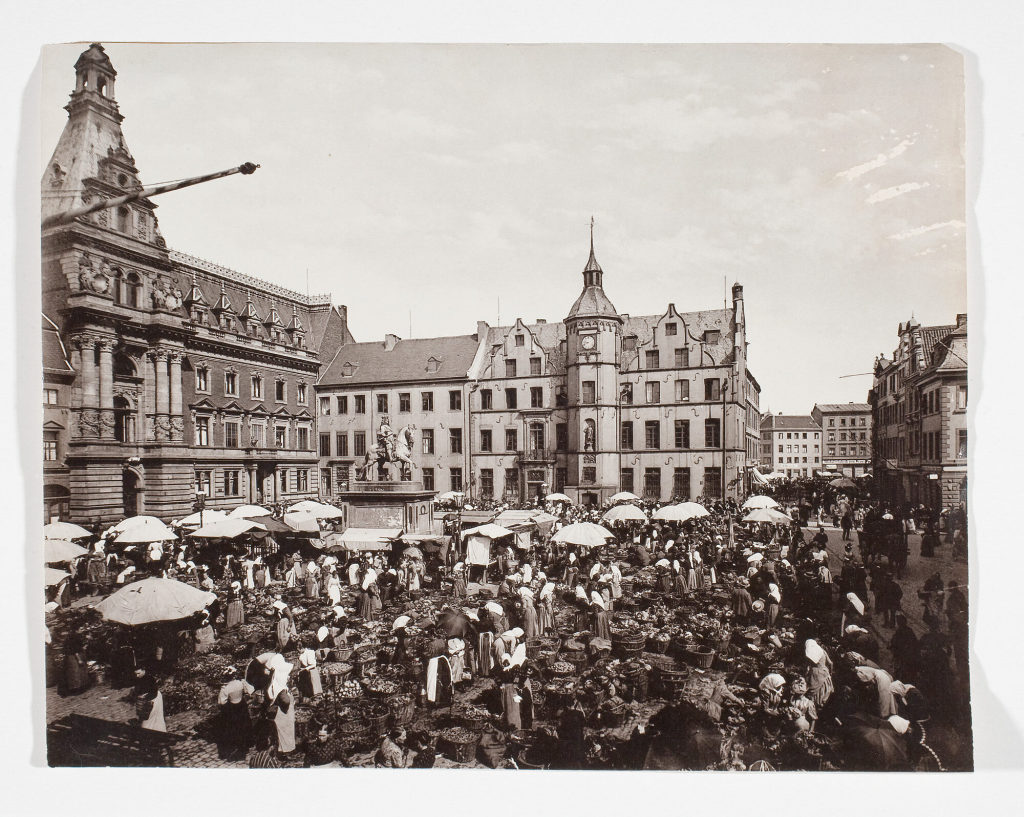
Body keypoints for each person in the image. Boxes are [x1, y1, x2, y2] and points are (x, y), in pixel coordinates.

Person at [216, 668, 255, 760]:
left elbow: (221, 702)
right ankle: (246, 744)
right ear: (233, 675)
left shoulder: (226, 688)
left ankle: (237, 746)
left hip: (233, 709)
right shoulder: (240, 683)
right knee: (244, 724)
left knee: (234, 726)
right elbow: (250, 690)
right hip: (242, 706)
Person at [265, 654, 296, 756]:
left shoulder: (273, 681)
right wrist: (289, 696)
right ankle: (286, 752)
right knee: (285, 732)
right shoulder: (280, 689)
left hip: (279, 712)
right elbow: (285, 701)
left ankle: (282, 750)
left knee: (281, 732)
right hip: (283, 713)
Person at [133, 665, 166, 732]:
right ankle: (149, 730)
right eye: (136, 674)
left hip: (154, 698)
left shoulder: (150, 678)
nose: (137, 675)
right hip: (146, 699)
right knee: (145, 717)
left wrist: (145, 697)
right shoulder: (139, 679)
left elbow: (154, 691)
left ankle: (155, 731)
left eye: (138, 673)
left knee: (151, 716)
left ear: (143, 671)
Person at [804, 639, 834, 709]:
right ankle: (821, 705)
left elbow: (809, 665)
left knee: (813, 692)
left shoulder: (810, 652)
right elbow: (830, 663)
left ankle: (813, 706)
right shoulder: (822, 651)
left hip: (815, 673)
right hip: (824, 671)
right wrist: (830, 673)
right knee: (823, 689)